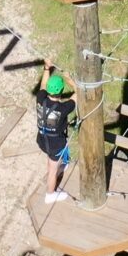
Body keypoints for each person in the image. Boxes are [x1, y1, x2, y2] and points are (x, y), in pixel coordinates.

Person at [36, 67, 77, 203]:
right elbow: (79, 93)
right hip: (56, 145)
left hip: (42, 140)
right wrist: (70, 79)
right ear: (61, 90)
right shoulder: (63, 108)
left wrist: (47, 68)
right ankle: (50, 194)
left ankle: (58, 166)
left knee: (52, 162)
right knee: (52, 169)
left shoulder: (40, 98)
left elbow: (42, 85)